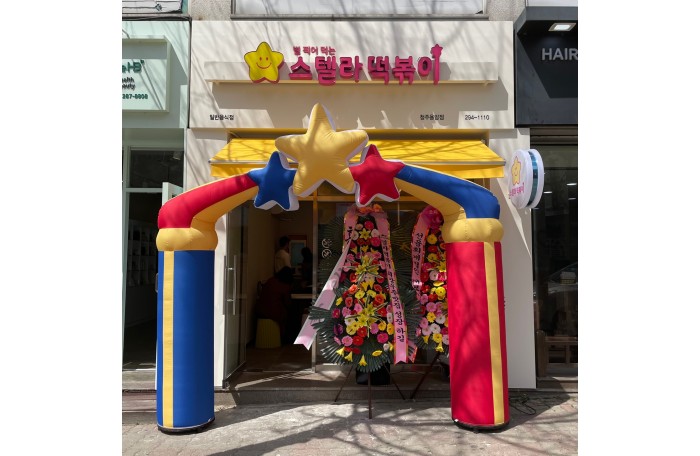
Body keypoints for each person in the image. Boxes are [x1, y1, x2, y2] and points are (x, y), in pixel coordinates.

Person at [255, 266, 295, 344]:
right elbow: (288, 303)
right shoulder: (285, 286)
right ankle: (285, 339)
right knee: (290, 315)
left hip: (260, 310)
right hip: (273, 313)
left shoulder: (271, 280)